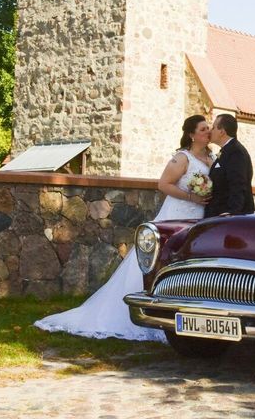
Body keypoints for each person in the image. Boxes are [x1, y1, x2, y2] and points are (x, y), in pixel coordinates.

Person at [34, 115, 213, 341]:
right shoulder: (182, 158)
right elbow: (163, 184)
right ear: (192, 134)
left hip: (199, 215)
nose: (208, 132)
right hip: (177, 214)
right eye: (204, 129)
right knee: (159, 259)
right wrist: (191, 196)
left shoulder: (211, 157)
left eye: (209, 128)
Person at [206, 113, 255, 217]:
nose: (210, 131)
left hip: (228, 217)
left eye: (214, 127)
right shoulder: (227, 150)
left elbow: (238, 183)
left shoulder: (235, 152)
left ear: (222, 131)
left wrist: (232, 212)